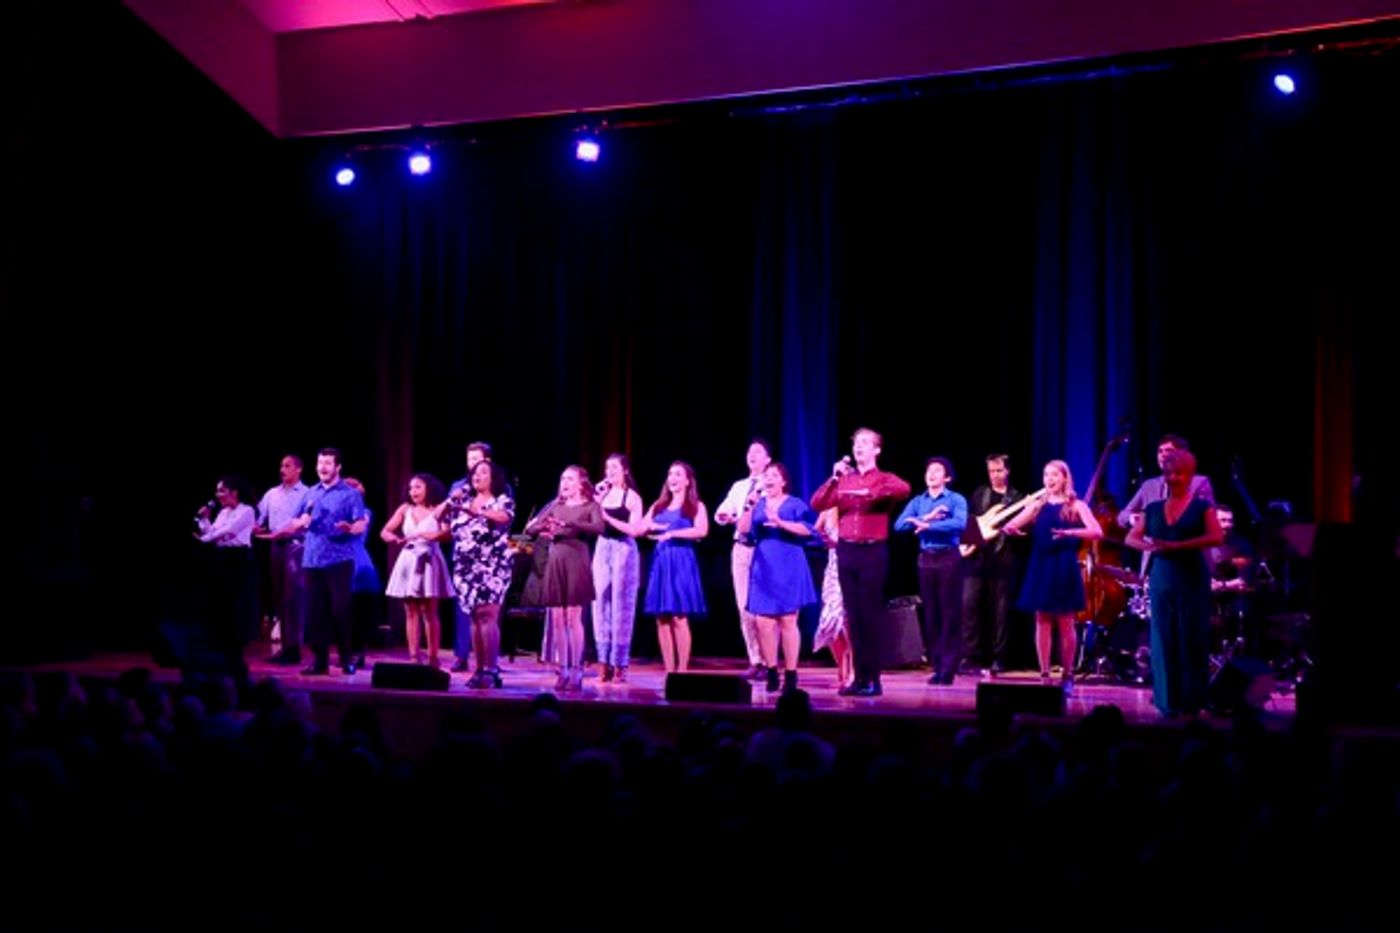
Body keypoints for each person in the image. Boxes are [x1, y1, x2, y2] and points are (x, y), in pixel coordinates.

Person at [810, 427, 911, 697]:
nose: (859, 447)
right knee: (853, 617)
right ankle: (859, 678)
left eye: (865, 443)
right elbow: (817, 502)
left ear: (877, 450)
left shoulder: (883, 478)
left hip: (871, 551)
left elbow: (903, 488)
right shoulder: (844, 480)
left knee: (869, 615)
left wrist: (868, 494)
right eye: (856, 443)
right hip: (847, 551)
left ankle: (873, 679)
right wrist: (834, 478)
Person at [1126, 450, 1224, 717]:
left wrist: (1180, 545)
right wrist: (1149, 546)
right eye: (1168, 473)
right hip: (1162, 577)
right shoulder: (1153, 508)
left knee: (1191, 636)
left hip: (1191, 576)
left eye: (1178, 473)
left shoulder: (1202, 507)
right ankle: (1167, 702)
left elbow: (1216, 536)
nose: (1173, 478)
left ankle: (1192, 701)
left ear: (1190, 476)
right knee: (1163, 638)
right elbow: (1130, 538)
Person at [1001, 460, 1103, 694]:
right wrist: (1012, 529)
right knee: (1042, 620)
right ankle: (1045, 674)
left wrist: (1071, 532)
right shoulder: (1038, 505)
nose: (1049, 479)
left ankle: (1068, 674)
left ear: (1065, 478)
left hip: (1063, 565)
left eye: (1054, 475)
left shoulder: (1076, 505)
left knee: (1065, 621)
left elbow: (1097, 531)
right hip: (1041, 564)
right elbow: (1012, 524)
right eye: (1046, 474)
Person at [737, 462, 819, 693]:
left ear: (783, 481)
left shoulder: (795, 503)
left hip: (789, 563)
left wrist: (780, 522)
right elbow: (743, 529)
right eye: (767, 476)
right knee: (763, 622)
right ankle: (772, 670)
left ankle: (791, 674)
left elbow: (808, 529)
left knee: (787, 620)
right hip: (764, 565)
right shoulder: (758, 504)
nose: (769, 479)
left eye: (774, 475)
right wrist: (748, 505)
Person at [288, 448, 369, 675]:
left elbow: (361, 523)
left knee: (340, 611)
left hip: (339, 560)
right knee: (316, 613)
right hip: (312, 560)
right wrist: (301, 522)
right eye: (320, 463)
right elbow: (294, 521)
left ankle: (346, 659)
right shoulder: (310, 493)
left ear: (337, 467)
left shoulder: (349, 494)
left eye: (327, 463)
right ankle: (320, 661)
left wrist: (351, 527)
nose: (322, 467)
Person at [526, 465, 604, 692]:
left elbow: (599, 527)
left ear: (581, 483)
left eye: (570, 479)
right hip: (556, 560)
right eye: (562, 479)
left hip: (576, 560)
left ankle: (577, 669)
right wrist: (545, 525)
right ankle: (563, 669)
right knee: (558, 618)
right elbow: (531, 529)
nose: (565, 483)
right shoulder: (556, 505)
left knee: (572, 617)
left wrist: (571, 524)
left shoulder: (590, 505)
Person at [440, 460, 515, 688]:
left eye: (483, 472)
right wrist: (450, 500)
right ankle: (480, 668)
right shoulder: (463, 501)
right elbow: (437, 517)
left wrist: (479, 511)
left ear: (494, 478)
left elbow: (504, 517)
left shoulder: (502, 500)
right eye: (474, 473)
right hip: (465, 567)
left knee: (487, 615)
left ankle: (491, 670)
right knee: (474, 616)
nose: (477, 476)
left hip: (491, 565)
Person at [894, 457, 968, 685]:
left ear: (947, 477)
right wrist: (925, 518)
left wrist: (929, 526)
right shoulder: (919, 501)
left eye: (937, 470)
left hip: (949, 558)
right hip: (926, 560)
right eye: (929, 470)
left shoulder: (955, 499)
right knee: (931, 614)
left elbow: (960, 523)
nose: (932, 474)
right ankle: (937, 666)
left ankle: (948, 667)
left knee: (950, 613)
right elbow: (899, 525)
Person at [641, 461, 710, 673]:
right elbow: (640, 527)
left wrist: (672, 533)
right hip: (661, 561)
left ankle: (682, 671)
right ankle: (670, 671)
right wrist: (650, 526)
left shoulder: (696, 506)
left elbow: (702, 530)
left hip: (681, 561)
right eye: (670, 474)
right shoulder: (658, 505)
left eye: (678, 474)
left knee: (679, 617)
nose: (673, 478)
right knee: (662, 618)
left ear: (688, 481)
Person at [713, 439, 774, 680]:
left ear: (768, 459)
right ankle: (755, 660)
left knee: (764, 608)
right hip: (740, 548)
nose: (752, 455)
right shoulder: (739, 486)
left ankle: (770, 661)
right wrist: (724, 516)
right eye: (750, 452)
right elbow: (722, 511)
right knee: (744, 607)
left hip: (763, 549)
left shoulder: (770, 484)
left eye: (758, 452)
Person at [380, 473, 454, 667]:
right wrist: (393, 538)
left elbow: (448, 533)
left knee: (429, 611)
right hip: (409, 559)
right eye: (411, 488)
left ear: (428, 488)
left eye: (418, 487)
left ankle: (433, 657)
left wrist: (432, 535)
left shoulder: (438, 509)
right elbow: (385, 531)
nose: (413, 491)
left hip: (430, 558)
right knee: (411, 610)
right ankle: (414, 656)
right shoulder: (405, 509)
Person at [1117, 435, 1215, 574]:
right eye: (1160, 451)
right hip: (1155, 563)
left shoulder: (1199, 483)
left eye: (1168, 451)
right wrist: (1132, 518)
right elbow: (1122, 516)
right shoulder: (1149, 486)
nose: (1163, 455)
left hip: (1189, 563)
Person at [960, 453, 1021, 675]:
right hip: (977, 559)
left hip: (1003, 560)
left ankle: (999, 658)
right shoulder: (980, 493)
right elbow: (971, 521)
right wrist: (967, 546)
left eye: (999, 470)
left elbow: (1024, 528)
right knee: (968, 606)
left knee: (1001, 611)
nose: (995, 475)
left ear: (1008, 471)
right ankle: (970, 657)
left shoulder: (1016, 498)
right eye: (991, 471)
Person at [194, 475, 257, 673]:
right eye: (217, 491)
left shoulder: (246, 511)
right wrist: (204, 519)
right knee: (221, 604)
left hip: (238, 560)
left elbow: (228, 531)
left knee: (236, 605)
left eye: (222, 490)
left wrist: (205, 540)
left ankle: (236, 650)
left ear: (234, 493)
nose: (218, 495)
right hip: (222, 559)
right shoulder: (222, 512)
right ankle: (221, 647)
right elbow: (211, 532)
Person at [592, 453, 644, 684]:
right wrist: (595, 502)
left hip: (624, 549)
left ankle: (620, 664)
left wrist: (607, 518)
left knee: (621, 607)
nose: (610, 472)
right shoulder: (601, 495)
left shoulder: (632, 497)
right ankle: (603, 663)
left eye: (614, 467)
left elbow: (635, 529)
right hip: (602, 547)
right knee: (599, 604)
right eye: (607, 468)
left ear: (625, 470)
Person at [254, 454, 308, 665]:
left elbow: (306, 522)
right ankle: (286, 647)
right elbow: (259, 520)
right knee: (280, 597)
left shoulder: (307, 493)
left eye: (287, 466)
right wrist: (253, 526)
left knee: (294, 597)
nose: (282, 469)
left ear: (298, 469)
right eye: (281, 466)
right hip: (275, 547)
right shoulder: (271, 494)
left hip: (297, 546)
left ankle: (294, 648)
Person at [341, 477, 383, 669]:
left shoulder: (364, 512)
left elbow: (359, 528)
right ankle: (346, 651)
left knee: (358, 609)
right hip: (336, 559)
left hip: (356, 562)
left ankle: (357, 652)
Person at [811, 508, 852, 689]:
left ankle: (853, 668)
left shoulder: (852, 508)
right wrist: (823, 539)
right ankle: (842, 662)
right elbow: (814, 532)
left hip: (851, 566)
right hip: (833, 571)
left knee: (848, 621)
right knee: (830, 621)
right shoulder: (827, 510)